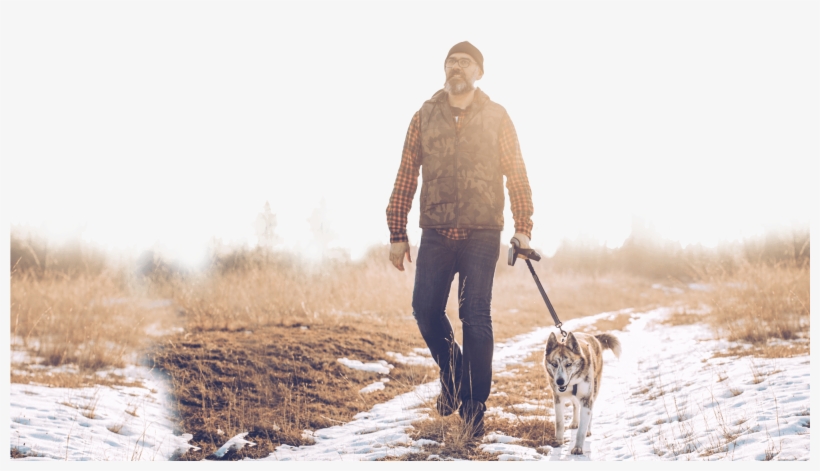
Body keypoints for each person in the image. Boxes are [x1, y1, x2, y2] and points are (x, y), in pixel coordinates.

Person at [385, 41, 535, 439]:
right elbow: (406, 173)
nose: (457, 67)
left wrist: (523, 228)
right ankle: (452, 372)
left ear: (479, 72)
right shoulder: (425, 114)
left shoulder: (497, 116)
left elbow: (516, 173)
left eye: (465, 62)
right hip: (435, 229)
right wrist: (396, 231)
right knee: (424, 308)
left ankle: (472, 405)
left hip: (483, 231)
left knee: (475, 314)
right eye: (451, 61)